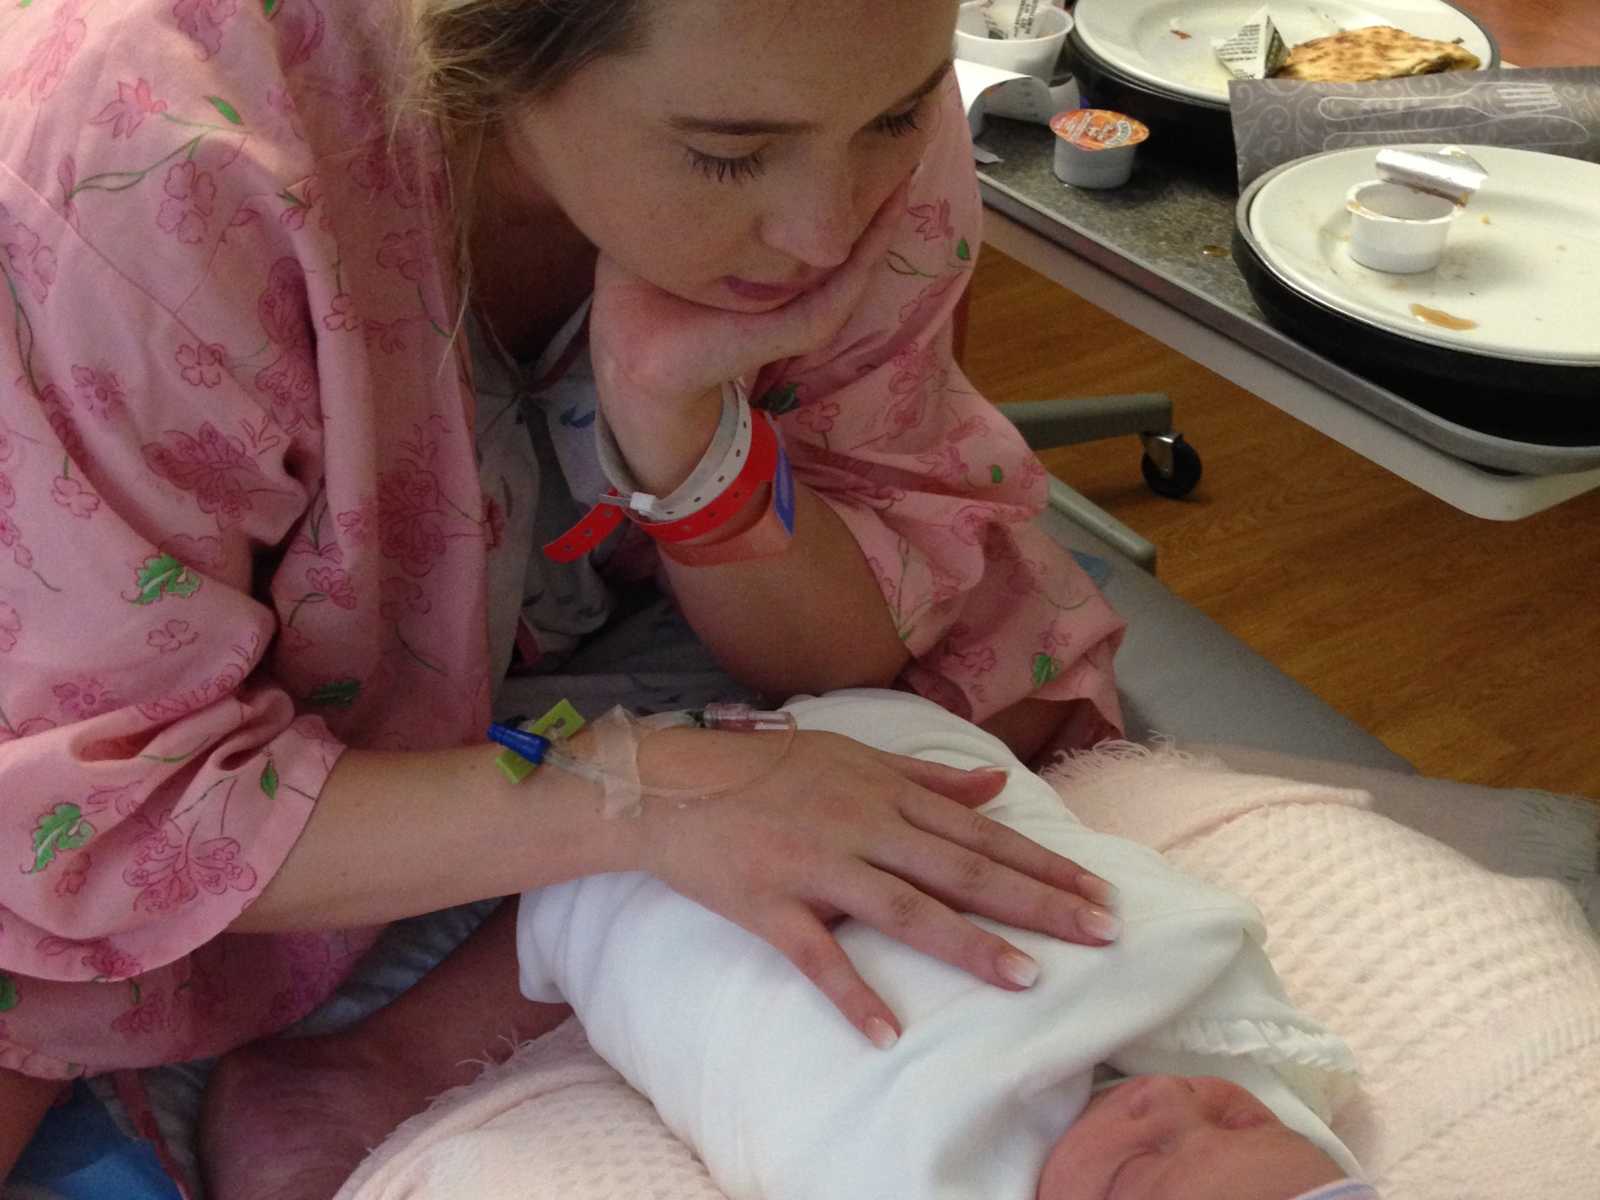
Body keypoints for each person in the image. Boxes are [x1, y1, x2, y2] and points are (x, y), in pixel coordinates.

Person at [0, 0, 1130, 1196]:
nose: (825, 231)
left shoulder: (835, 82)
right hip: (122, 660)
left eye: (902, 116)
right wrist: (642, 798)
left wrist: (687, 447)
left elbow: (856, 656)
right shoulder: (148, 174)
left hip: (576, 646)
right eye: (727, 154)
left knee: (975, 718)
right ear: (484, 46)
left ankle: (388, 1060)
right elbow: (98, 799)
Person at [512, 690, 1374, 1200]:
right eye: (1236, 1114)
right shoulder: (1235, 1051)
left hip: (635, 872)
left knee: (654, 919)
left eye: (1136, 1169)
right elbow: (1184, 933)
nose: (1171, 1101)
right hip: (875, 740)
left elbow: (819, 1116)